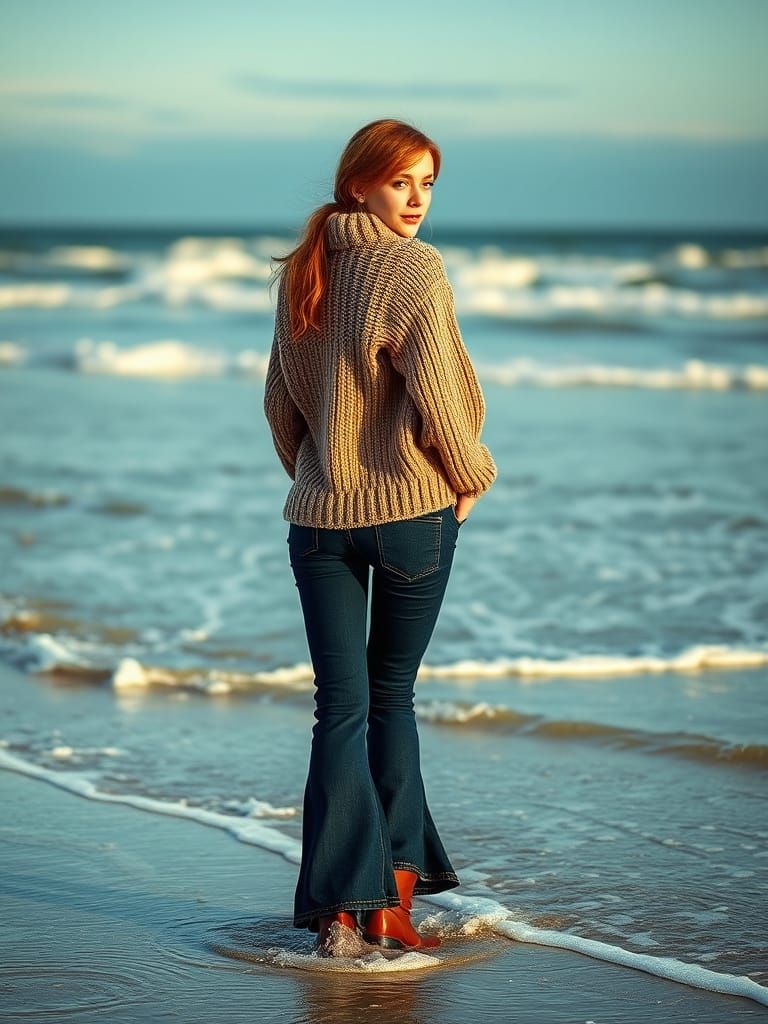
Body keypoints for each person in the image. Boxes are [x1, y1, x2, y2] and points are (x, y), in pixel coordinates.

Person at [263, 118, 497, 956]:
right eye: (402, 182)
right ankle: (392, 901)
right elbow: (438, 394)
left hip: (320, 525)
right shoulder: (412, 269)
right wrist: (471, 476)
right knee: (389, 695)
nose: (417, 202)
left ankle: (342, 914)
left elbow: (281, 408)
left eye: (428, 185)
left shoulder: (303, 270)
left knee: (341, 710)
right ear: (358, 182)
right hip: (410, 518)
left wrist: (325, 474)